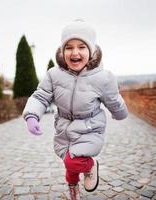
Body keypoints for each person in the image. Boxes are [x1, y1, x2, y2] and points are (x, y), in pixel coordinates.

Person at [22, 20, 128, 200]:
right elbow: (40, 96)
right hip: (63, 128)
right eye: (69, 47)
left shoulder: (103, 77)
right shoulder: (53, 75)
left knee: (74, 160)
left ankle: (90, 166)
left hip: (90, 127)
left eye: (82, 47)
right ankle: (73, 189)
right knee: (68, 163)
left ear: (92, 51)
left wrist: (120, 113)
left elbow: (113, 99)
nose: (75, 52)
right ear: (62, 52)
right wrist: (32, 115)